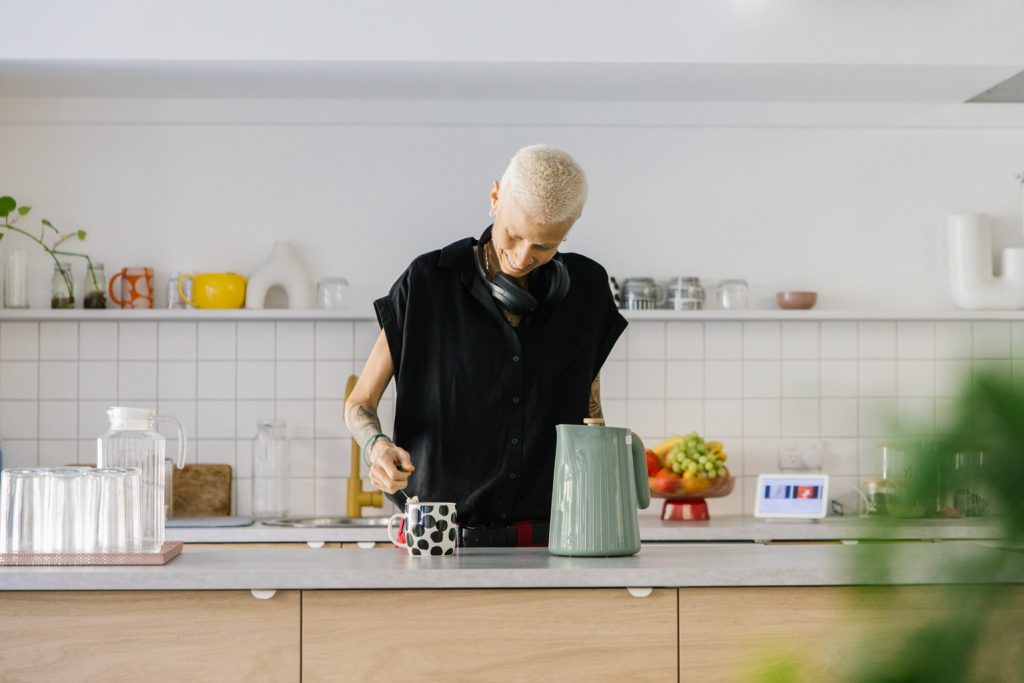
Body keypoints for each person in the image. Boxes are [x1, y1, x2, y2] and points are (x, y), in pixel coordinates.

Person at [344, 144, 627, 547]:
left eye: (543, 247)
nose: (521, 257)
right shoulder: (426, 283)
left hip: (557, 541)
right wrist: (376, 447)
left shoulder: (588, 290)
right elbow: (359, 404)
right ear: (495, 197)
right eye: (514, 235)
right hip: (436, 542)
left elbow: (591, 413)